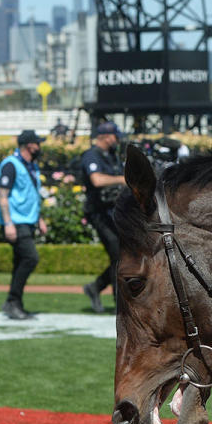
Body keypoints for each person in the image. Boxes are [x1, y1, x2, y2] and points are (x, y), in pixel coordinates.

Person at [0, 130, 47, 320]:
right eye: (37, 143)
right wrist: (8, 223)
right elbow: (2, 195)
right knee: (30, 258)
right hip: (15, 221)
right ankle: (12, 301)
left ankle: (14, 303)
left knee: (20, 262)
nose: (39, 147)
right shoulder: (11, 164)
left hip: (27, 221)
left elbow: (31, 194)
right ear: (29, 146)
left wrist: (39, 218)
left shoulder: (31, 166)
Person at [81, 122, 126, 313]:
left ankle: (96, 287)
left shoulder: (111, 156)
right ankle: (119, 304)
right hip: (99, 213)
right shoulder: (92, 155)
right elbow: (97, 180)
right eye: (115, 137)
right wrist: (123, 179)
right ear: (106, 137)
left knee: (122, 256)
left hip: (113, 212)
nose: (118, 140)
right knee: (118, 255)